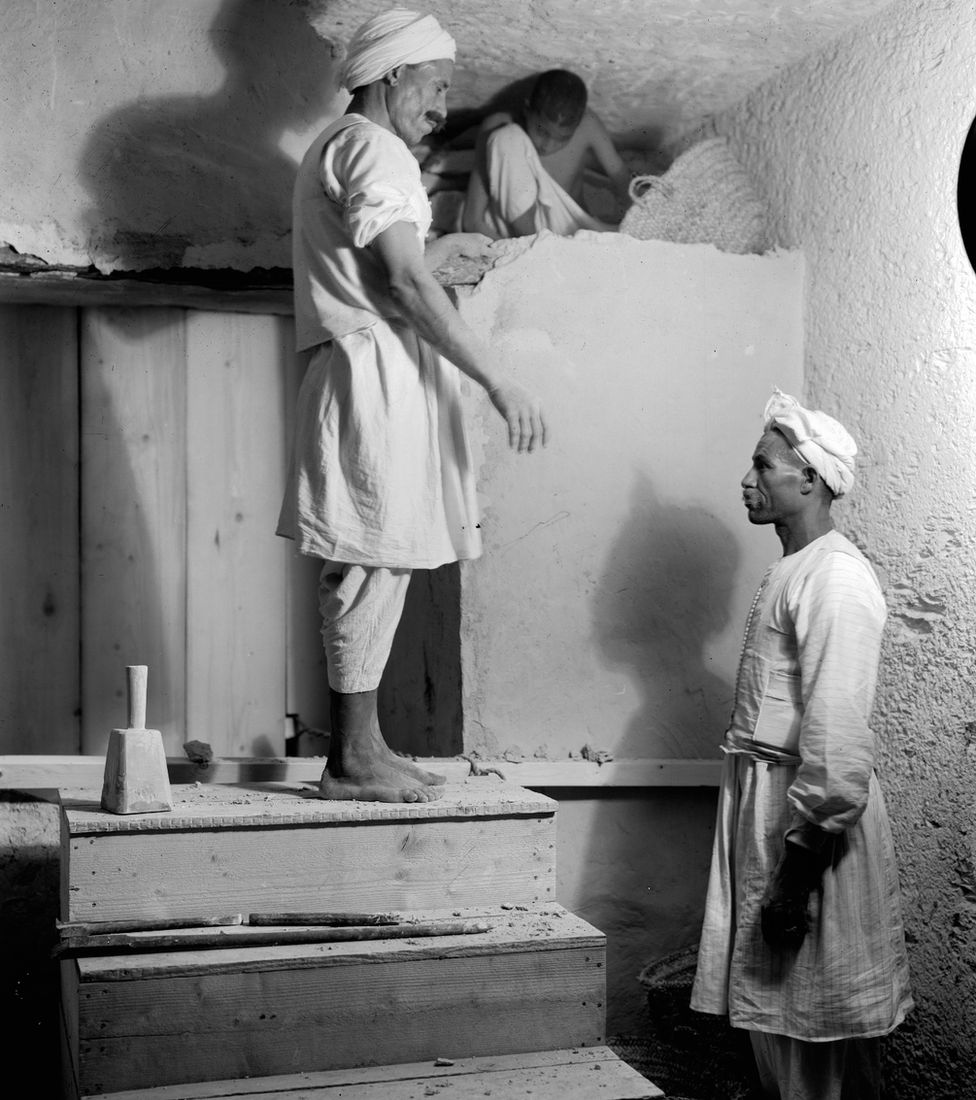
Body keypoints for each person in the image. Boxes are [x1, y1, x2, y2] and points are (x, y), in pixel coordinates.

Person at [277, 9, 547, 804]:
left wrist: (433, 255)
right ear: (392, 74)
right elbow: (399, 285)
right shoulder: (376, 146)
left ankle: (363, 747)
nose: (442, 108)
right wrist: (499, 380)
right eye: (435, 87)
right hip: (374, 372)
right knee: (370, 557)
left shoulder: (335, 147)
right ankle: (352, 759)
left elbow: (382, 268)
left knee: (380, 558)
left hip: (364, 363)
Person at [690, 389, 913, 1099]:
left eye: (763, 465)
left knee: (814, 1028)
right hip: (768, 806)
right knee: (778, 1024)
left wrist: (797, 873)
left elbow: (838, 736)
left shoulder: (837, 577)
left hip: (809, 831)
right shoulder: (795, 568)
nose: (747, 479)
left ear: (809, 479)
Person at [460, 69, 631, 239]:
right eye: (542, 132)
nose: (548, 146)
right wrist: (509, 253)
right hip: (516, 237)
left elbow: (621, 179)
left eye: (563, 138)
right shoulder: (499, 125)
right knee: (506, 136)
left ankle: (541, 248)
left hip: (570, 232)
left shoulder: (588, 124)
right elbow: (472, 221)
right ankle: (537, 247)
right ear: (527, 110)